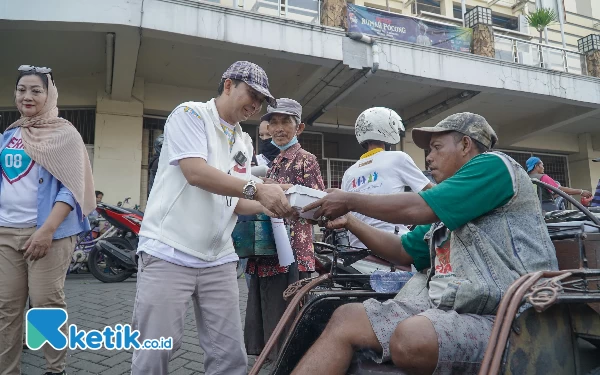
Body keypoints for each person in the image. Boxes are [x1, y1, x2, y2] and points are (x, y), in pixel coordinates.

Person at [294, 112, 558, 375]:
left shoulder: (494, 166)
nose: (428, 157)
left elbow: (418, 207)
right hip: (448, 309)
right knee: (346, 317)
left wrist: (349, 199)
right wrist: (351, 221)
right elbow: (402, 251)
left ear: (466, 145)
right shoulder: (443, 210)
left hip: (508, 318)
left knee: (413, 338)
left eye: (436, 147)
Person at [131, 61, 296, 375]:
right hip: (169, 251)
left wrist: (277, 201)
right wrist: (259, 189)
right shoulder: (191, 115)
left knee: (230, 357)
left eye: (261, 101)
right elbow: (195, 173)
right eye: (252, 94)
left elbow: (235, 201)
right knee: (155, 354)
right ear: (229, 84)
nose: (256, 105)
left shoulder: (242, 142)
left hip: (218, 259)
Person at [0, 65, 95, 375]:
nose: (28, 96)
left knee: (45, 308)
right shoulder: (11, 133)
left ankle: (55, 370)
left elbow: (72, 186)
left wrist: (47, 230)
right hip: (6, 232)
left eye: (36, 90)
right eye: (22, 89)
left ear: (49, 94)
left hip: (49, 234)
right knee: (7, 311)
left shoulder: (64, 132)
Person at [245, 98, 325, 361]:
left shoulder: (306, 160)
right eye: (274, 122)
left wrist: (279, 191)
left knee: (287, 310)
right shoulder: (276, 161)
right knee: (268, 305)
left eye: (285, 123)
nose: (278, 129)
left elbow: (319, 204)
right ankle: (273, 357)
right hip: (268, 248)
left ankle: (290, 361)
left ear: (299, 128)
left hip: (293, 250)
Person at [341, 107, 432, 251]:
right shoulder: (398, 158)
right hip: (392, 245)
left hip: (357, 249)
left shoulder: (349, 173)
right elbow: (433, 194)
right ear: (389, 129)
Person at [526, 156, 592, 212]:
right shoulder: (543, 177)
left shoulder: (525, 179)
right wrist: (581, 191)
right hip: (546, 210)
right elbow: (559, 190)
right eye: (542, 165)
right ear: (536, 166)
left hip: (530, 209)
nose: (543, 167)